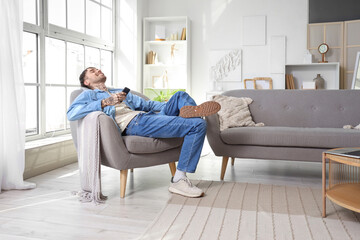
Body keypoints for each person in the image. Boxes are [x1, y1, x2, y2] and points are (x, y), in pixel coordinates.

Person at [67, 67, 220, 198]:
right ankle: (179, 180)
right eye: (92, 71)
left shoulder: (119, 92)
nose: (98, 70)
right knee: (198, 125)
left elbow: (147, 104)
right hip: (135, 123)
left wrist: (168, 105)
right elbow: (72, 113)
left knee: (180, 95)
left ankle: (188, 113)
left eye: (97, 68)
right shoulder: (88, 95)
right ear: (87, 82)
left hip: (149, 116)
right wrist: (106, 102)